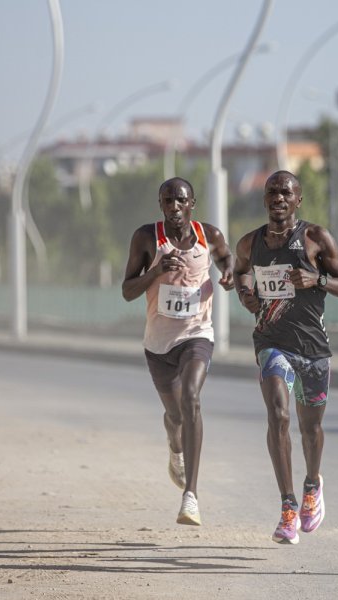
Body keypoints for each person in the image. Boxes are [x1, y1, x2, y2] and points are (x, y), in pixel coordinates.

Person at [233, 170, 338, 545]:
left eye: (286, 192)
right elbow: (240, 271)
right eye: (273, 192)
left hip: (313, 350)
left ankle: (311, 485)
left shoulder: (315, 238)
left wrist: (318, 280)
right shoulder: (250, 242)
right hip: (271, 342)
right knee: (278, 414)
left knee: (310, 430)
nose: (279, 198)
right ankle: (288, 508)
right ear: (265, 199)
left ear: (298, 200)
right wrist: (245, 293)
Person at [122, 177, 234, 526]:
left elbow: (226, 259)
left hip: (197, 334)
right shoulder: (146, 237)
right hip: (158, 344)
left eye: (181, 200)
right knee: (175, 417)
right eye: (168, 201)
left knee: (191, 399)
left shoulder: (209, 235)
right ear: (160, 204)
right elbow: (127, 290)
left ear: (192, 204)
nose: (174, 207)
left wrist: (229, 274)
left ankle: (191, 496)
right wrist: (157, 271)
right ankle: (175, 447)